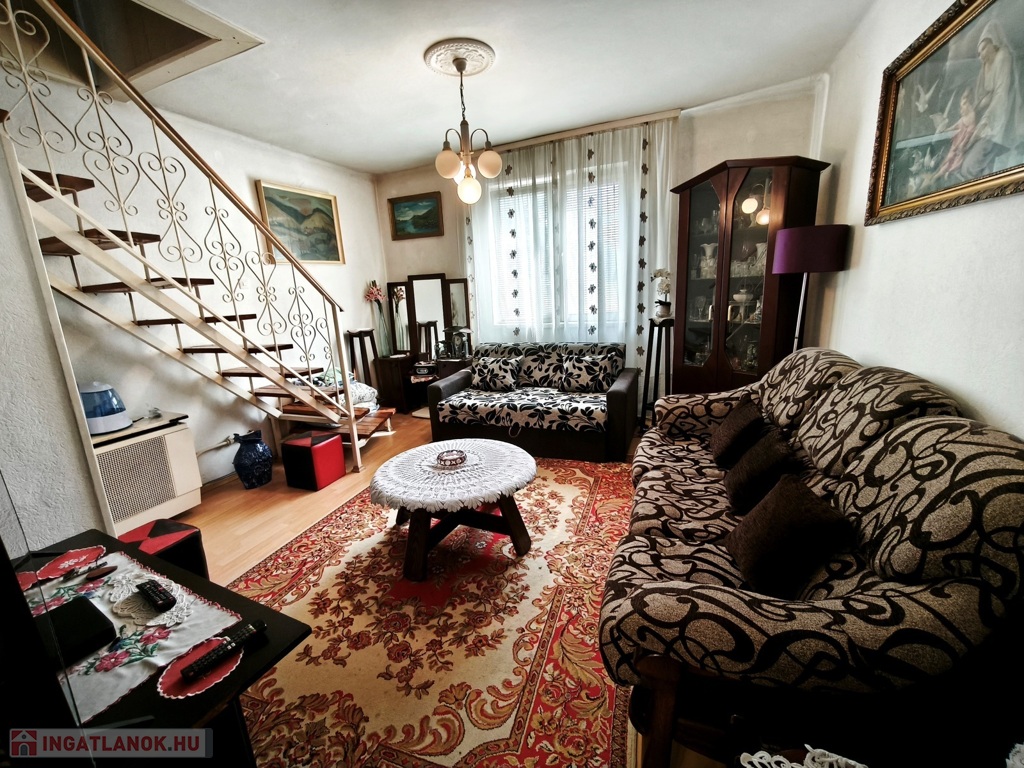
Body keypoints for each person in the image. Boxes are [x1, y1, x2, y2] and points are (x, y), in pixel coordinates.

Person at [960, 19, 1024, 178]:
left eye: (983, 48)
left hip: (998, 121)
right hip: (987, 120)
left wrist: (984, 123)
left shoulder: (1003, 56)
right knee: (966, 161)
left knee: (968, 166)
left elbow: (1000, 96)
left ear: (992, 42)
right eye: (979, 52)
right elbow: (983, 96)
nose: (980, 55)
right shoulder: (986, 65)